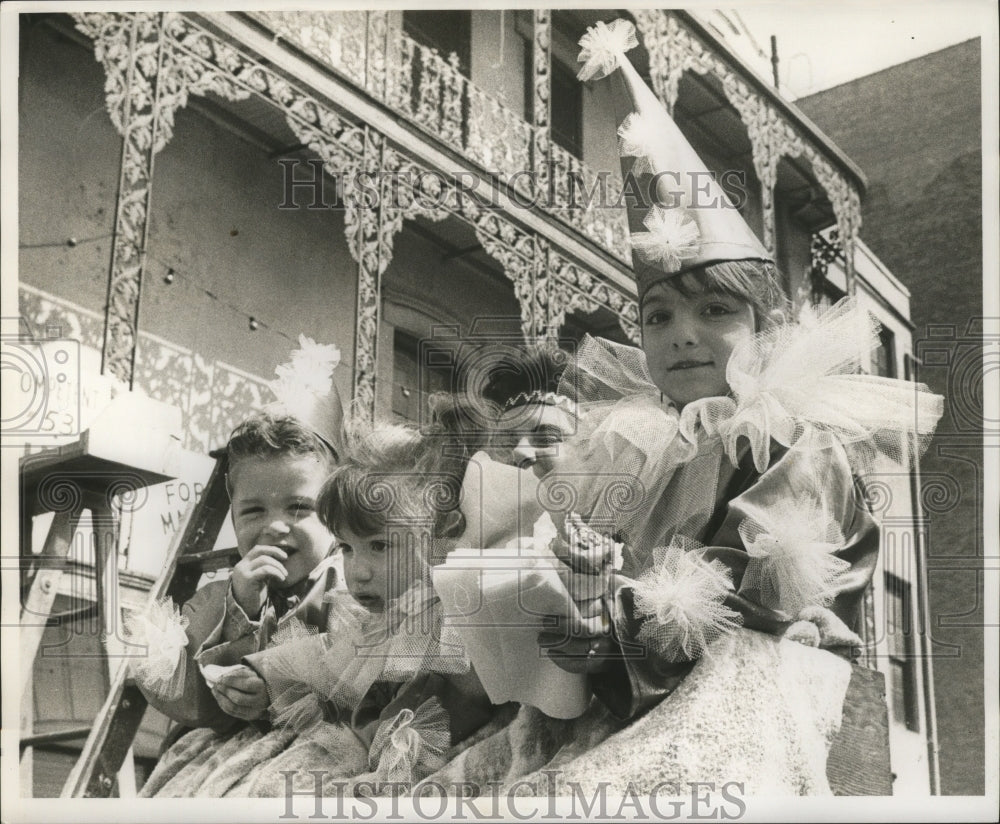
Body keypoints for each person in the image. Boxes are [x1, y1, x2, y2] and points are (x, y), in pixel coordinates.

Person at [411, 19, 943, 797]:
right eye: (658, 316)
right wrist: (576, 596)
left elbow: (750, 589)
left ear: (761, 324)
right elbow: (608, 576)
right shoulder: (638, 448)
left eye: (715, 312)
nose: (683, 337)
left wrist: (612, 621)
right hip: (628, 688)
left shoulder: (791, 437)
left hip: (743, 686)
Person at [133, 336, 348, 797]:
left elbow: (361, 672)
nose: (274, 527)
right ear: (232, 515)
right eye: (253, 512)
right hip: (237, 746)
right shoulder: (225, 593)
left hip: (323, 742)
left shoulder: (349, 585)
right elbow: (184, 697)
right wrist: (240, 615)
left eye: (298, 507)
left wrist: (279, 691)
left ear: (334, 509)